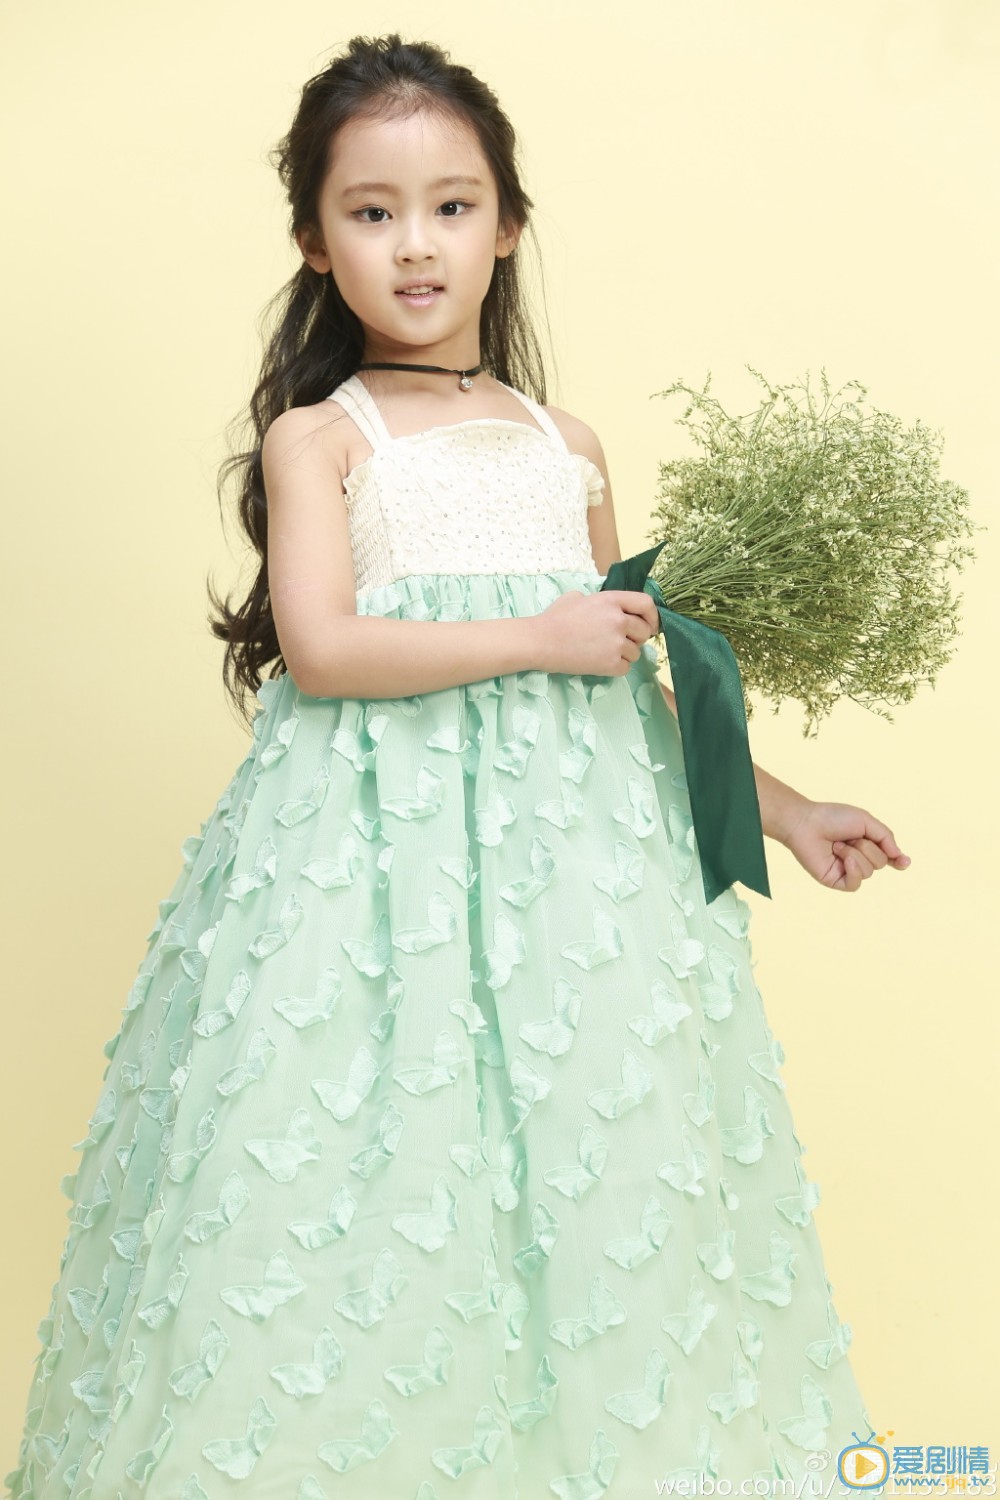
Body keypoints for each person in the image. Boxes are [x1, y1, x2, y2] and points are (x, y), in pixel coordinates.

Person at [5, 32, 910, 1500]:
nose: (415, 244)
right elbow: (323, 646)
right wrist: (538, 633)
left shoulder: (568, 442)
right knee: (369, 1171)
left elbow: (633, 673)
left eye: (451, 206)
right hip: (376, 873)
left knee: (593, 1164)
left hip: (578, 877)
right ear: (316, 241)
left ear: (508, 226)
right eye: (371, 211)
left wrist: (790, 811)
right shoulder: (321, 437)